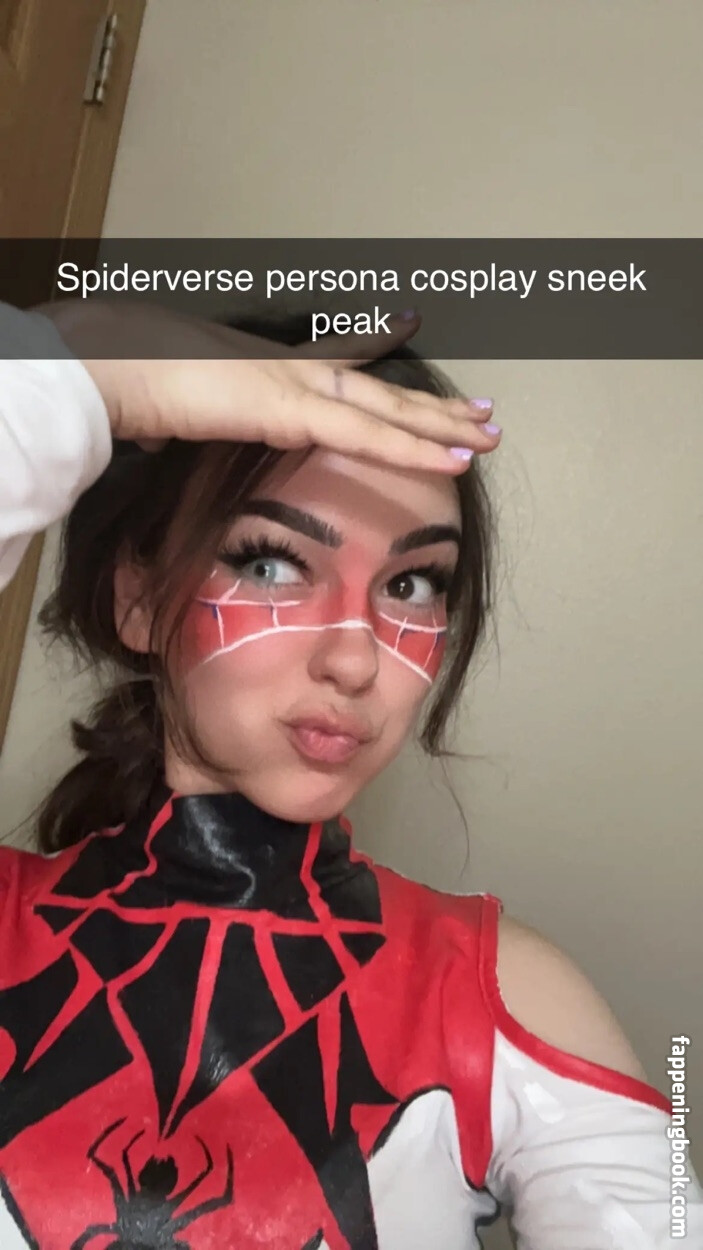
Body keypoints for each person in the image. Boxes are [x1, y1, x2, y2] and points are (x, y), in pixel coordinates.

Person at [0, 298, 699, 1248]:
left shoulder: (505, 996)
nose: (357, 659)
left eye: (411, 585)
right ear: (138, 598)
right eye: (271, 563)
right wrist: (70, 369)